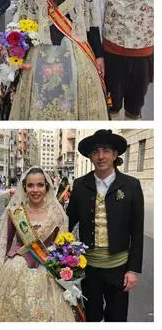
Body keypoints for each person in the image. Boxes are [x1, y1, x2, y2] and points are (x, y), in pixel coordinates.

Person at [9, 0, 108, 120]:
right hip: (39, 54)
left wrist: (99, 55)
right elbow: (22, 25)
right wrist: (17, 57)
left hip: (76, 53)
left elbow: (92, 25)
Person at [67, 130, 144, 321]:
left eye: (106, 150)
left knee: (116, 318)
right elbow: (67, 222)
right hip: (89, 268)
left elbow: (137, 231)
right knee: (90, 317)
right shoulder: (80, 185)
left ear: (115, 154)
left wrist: (133, 270)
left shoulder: (131, 185)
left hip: (118, 267)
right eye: (96, 151)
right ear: (90, 156)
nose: (101, 156)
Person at [0, 166, 75, 321]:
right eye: (30, 185)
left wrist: (66, 275)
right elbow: (2, 244)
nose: (35, 190)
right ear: (24, 188)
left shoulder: (57, 213)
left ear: (47, 187)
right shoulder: (15, 211)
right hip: (16, 272)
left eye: (40, 185)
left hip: (47, 273)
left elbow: (63, 249)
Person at [96, 0, 154, 120]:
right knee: (112, 104)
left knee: (135, 106)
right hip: (113, 58)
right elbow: (97, 24)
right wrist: (99, 57)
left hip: (144, 58)